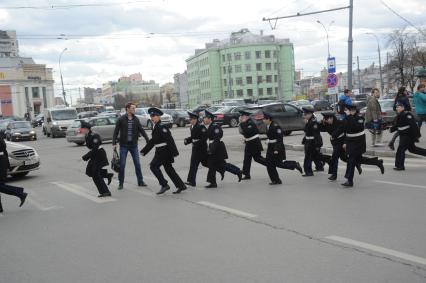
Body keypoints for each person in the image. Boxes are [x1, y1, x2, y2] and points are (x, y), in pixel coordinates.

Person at [320, 112, 384, 181]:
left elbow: (346, 132)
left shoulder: (340, 123)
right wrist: (321, 123)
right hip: (336, 143)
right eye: (325, 120)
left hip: (343, 142)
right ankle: (372, 162)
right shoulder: (326, 124)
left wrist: (345, 143)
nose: (326, 121)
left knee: (335, 158)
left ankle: (334, 175)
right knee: (345, 158)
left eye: (327, 120)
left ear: (331, 118)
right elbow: (321, 128)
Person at [140, 108, 187, 195]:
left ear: (158, 116)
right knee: (169, 169)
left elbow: (169, 140)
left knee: (153, 166)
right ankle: (181, 185)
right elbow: (153, 141)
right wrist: (144, 151)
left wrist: (174, 152)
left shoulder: (161, 126)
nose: (152, 118)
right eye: (151, 116)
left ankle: (164, 184)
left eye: (154, 116)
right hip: (160, 150)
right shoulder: (156, 126)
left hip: (164, 151)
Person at [112, 102, 150, 190]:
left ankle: (140, 181)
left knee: (137, 164)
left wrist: (147, 140)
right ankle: (121, 183)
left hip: (133, 145)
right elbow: (116, 132)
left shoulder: (136, 119)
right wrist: (114, 143)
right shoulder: (121, 119)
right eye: (133, 108)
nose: (134, 110)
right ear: (128, 109)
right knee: (122, 164)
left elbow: (141, 130)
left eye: (134, 108)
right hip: (123, 146)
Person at [204, 110, 242, 188]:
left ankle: (213, 182)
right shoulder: (210, 126)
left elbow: (217, 138)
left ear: (209, 119)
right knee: (218, 165)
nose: (204, 119)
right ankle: (237, 171)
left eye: (205, 118)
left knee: (217, 164)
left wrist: (212, 149)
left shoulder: (215, 127)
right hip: (213, 147)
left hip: (217, 149)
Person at [262, 112, 303, 185]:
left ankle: (294, 164)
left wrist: (276, 149)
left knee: (279, 163)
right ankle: (276, 180)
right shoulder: (268, 126)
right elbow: (271, 137)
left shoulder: (275, 126)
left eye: (264, 119)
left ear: (268, 119)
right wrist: (269, 141)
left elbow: (280, 139)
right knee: (269, 164)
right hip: (271, 147)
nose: (263, 120)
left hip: (277, 148)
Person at [391, 101, 426, 170]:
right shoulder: (400, 115)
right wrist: (391, 129)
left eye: (399, 107)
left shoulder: (407, 114)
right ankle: (399, 165)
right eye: (397, 107)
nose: (397, 108)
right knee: (413, 149)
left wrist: (417, 135)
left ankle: (400, 166)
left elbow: (413, 125)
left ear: (403, 107)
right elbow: (398, 125)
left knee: (401, 150)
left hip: (408, 135)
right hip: (403, 135)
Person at [81, 121, 112, 197]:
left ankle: (105, 191)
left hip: (99, 155)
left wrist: (87, 156)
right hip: (94, 155)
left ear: (86, 129)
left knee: (95, 174)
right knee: (89, 171)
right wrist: (88, 155)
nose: (81, 130)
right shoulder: (87, 135)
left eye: (82, 129)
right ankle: (107, 175)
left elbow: (95, 148)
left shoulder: (95, 136)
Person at [0, 130, 28, 213]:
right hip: (2, 161)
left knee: (0, 185)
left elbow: (3, 149)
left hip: (0, 161)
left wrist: (7, 165)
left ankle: (20, 193)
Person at [341, 104, 367, 187]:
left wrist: (349, 117)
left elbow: (355, 127)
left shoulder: (360, 118)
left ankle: (349, 180)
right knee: (352, 160)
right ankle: (350, 178)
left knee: (351, 160)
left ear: (352, 111)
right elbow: (346, 131)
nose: (345, 112)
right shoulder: (347, 118)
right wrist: (345, 142)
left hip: (358, 142)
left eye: (347, 110)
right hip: (350, 142)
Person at [239, 109, 267, 180]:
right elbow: (245, 133)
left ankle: (270, 164)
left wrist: (242, 123)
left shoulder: (250, 122)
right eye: (241, 116)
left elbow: (248, 131)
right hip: (249, 143)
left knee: (258, 159)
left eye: (242, 116)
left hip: (254, 143)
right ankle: (246, 174)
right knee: (246, 159)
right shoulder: (246, 122)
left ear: (247, 116)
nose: (241, 118)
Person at [184, 111, 208, 187]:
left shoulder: (201, 127)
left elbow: (204, 138)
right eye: (190, 119)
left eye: (192, 119)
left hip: (202, 149)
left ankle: (219, 168)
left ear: (196, 120)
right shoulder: (191, 127)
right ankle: (191, 181)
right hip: (195, 148)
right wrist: (187, 140)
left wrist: (196, 143)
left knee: (207, 164)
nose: (191, 121)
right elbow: (193, 137)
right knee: (193, 165)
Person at [301, 107, 324, 177]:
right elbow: (307, 132)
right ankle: (319, 167)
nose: (304, 116)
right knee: (315, 156)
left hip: (312, 142)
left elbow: (316, 135)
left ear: (310, 114)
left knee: (308, 157)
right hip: (309, 141)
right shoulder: (310, 121)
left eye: (305, 114)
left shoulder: (313, 122)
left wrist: (317, 145)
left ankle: (308, 172)